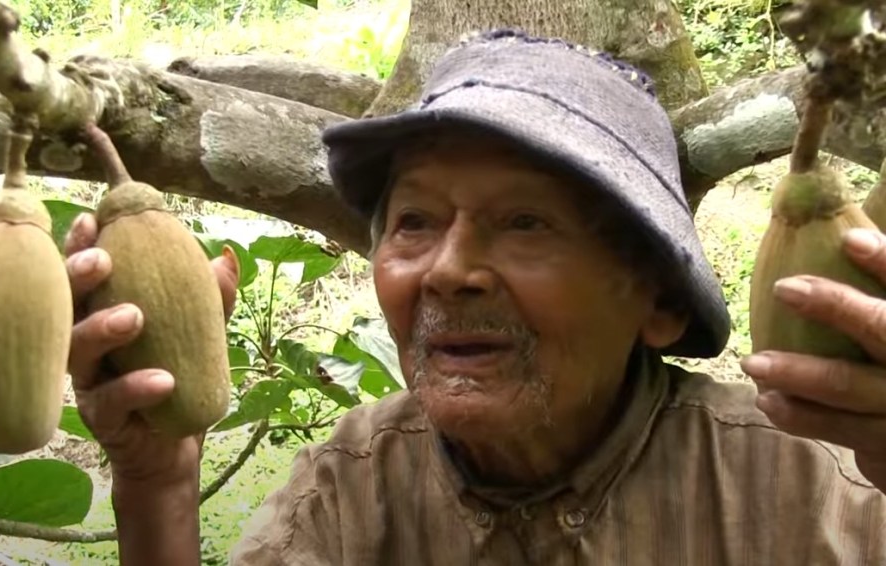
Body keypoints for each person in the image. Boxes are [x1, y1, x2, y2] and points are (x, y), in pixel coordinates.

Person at [63, 29, 886, 565]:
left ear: (657, 302)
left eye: (524, 223)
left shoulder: (805, 489)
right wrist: (157, 484)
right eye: (415, 221)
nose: (449, 270)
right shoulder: (352, 490)